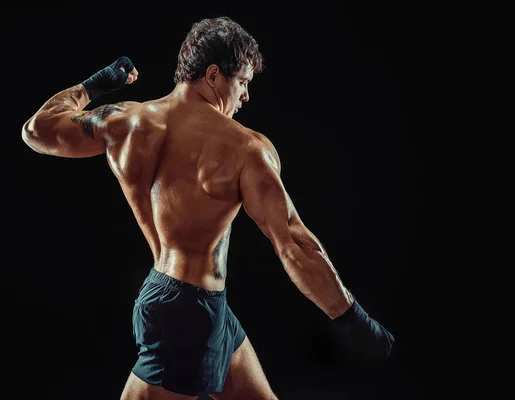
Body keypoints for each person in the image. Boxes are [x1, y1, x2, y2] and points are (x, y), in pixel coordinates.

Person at [21, 16, 395, 400]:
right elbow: (293, 244)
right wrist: (351, 318)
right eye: (243, 82)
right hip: (187, 314)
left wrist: (98, 84)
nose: (246, 96)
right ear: (214, 75)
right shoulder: (245, 148)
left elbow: (37, 129)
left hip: (187, 301)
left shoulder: (125, 121)